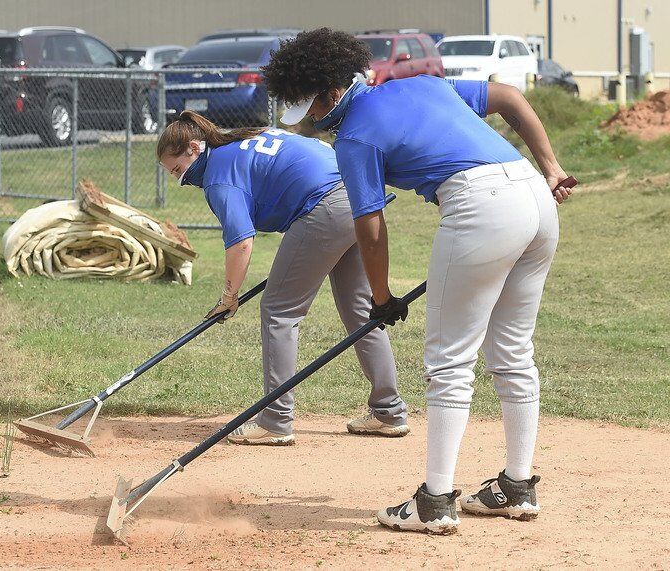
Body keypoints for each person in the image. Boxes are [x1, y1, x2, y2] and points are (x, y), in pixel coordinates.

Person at [262, 28, 575, 533]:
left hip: (480, 205)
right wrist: (552, 168)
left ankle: (435, 501)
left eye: (311, 111)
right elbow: (509, 98)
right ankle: (516, 488)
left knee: (449, 360)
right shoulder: (423, 83)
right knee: (514, 351)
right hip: (533, 196)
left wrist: (381, 297)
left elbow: (369, 223)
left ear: (330, 93)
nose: (311, 124)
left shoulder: (354, 137)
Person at [156, 111, 411, 446]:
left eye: (178, 169)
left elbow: (241, 242)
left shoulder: (218, 175)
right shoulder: (240, 138)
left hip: (323, 206)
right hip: (356, 196)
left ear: (193, 147)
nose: (181, 180)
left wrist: (228, 296)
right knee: (364, 311)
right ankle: (388, 412)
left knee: (279, 310)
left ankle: (275, 420)